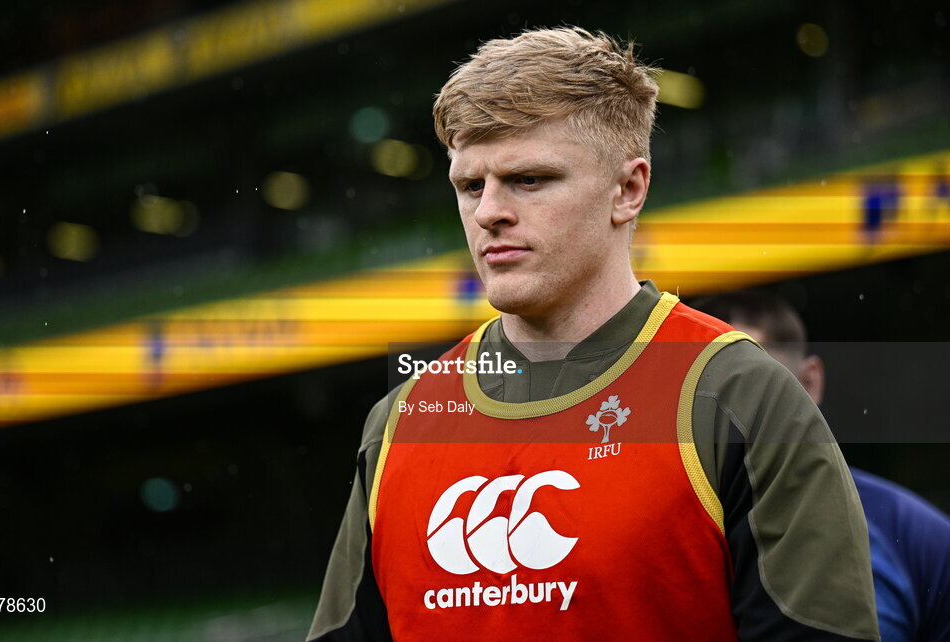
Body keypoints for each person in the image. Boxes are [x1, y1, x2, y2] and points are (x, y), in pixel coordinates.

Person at [308, 28, 878, 640]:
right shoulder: (401, 421)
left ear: (628, 190)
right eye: (471, 186)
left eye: (529, 180)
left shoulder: (737, 395)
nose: (488, 212)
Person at [689, 289, 950, 642]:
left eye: (759, 388)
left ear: (809, 382)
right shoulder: (644, 529)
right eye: (705, 392)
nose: (735, 415)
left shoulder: (912, 533)